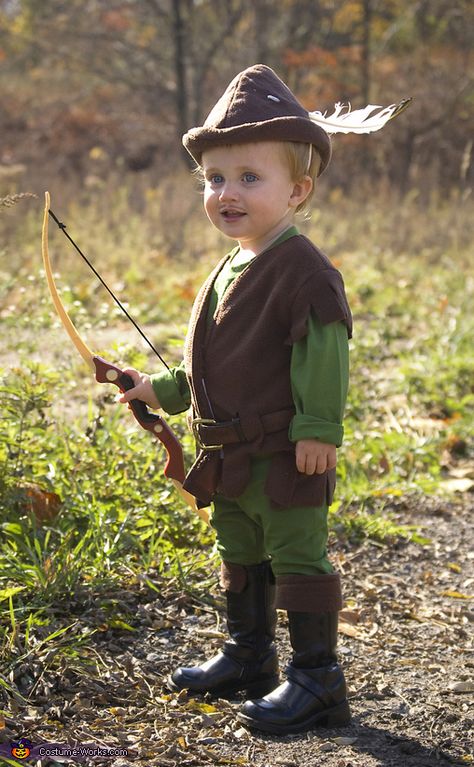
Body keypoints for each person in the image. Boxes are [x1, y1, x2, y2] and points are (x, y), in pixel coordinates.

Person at [119, 64, 353, 735]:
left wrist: (318, 429)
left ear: (298, 191)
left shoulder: (304, 271)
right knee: (242, 552)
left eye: (250, 178)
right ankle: (250, 655)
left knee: (296, 555)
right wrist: (158, 389)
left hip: (285, 455)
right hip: (233, 460)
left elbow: (324, 356)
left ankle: (318, 678)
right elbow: (214, 364)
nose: (228, 192)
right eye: (215, 178)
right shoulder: (231, 264)